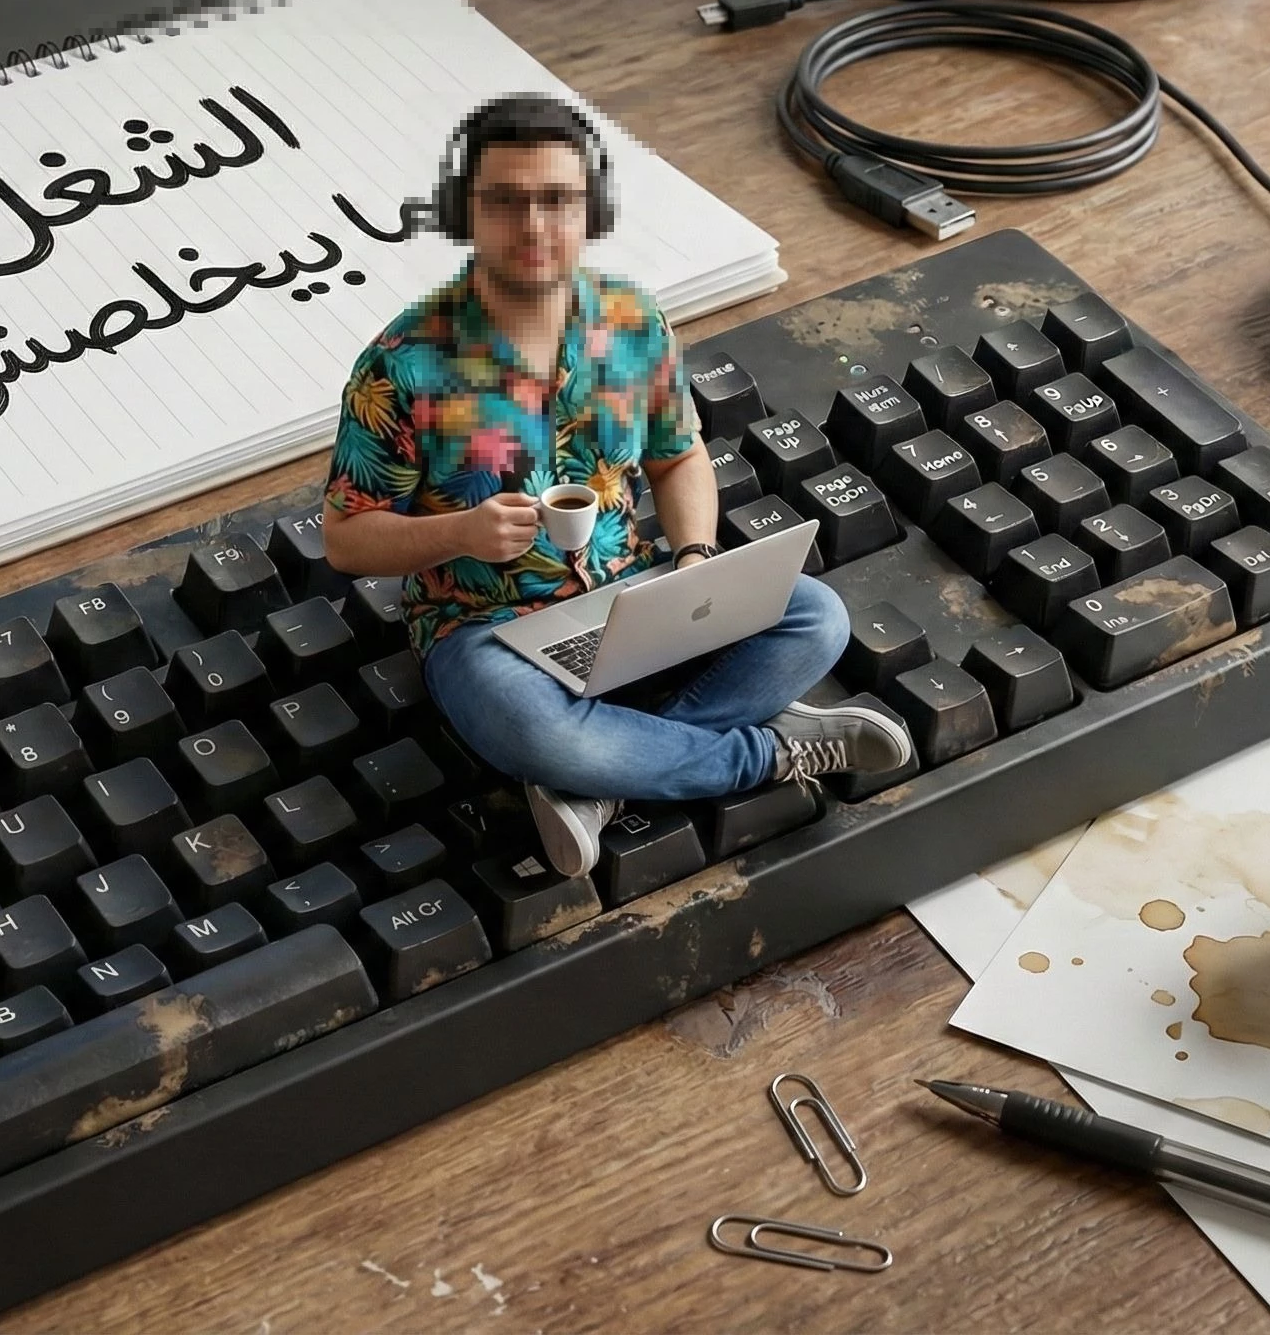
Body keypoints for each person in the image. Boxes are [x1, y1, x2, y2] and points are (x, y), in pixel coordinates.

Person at [321, 92, 910, 879]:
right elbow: (345, 540)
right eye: (505, 202)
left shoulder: (635, 321)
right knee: (539, 733)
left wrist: (697, 554)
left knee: (816, 616)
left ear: (589, 210)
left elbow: (679, 457)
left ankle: (598, 784)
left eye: (557, 201)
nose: (534, 227)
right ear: (467, 212)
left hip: (631, 598)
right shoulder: (401, 364)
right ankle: (764, 753)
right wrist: (459, 533)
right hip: (486, 632)